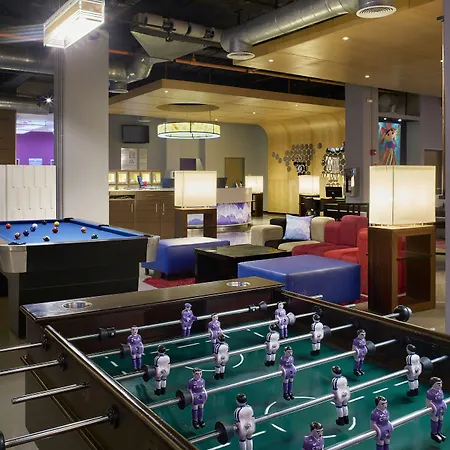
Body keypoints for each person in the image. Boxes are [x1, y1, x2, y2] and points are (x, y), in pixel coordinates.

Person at [427, 377, 447, 443]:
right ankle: (434, 434)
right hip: (435, 408)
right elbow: (428, 402)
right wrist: (433, 408)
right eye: (438, 384)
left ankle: (439, 432)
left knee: (440, 419)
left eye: (441, 383)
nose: (440, 385)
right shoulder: (430, 392)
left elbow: (441, 399)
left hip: (441, 406)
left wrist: (444, 405)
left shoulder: (440, 391)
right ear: (433, 384)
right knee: (435, 420)